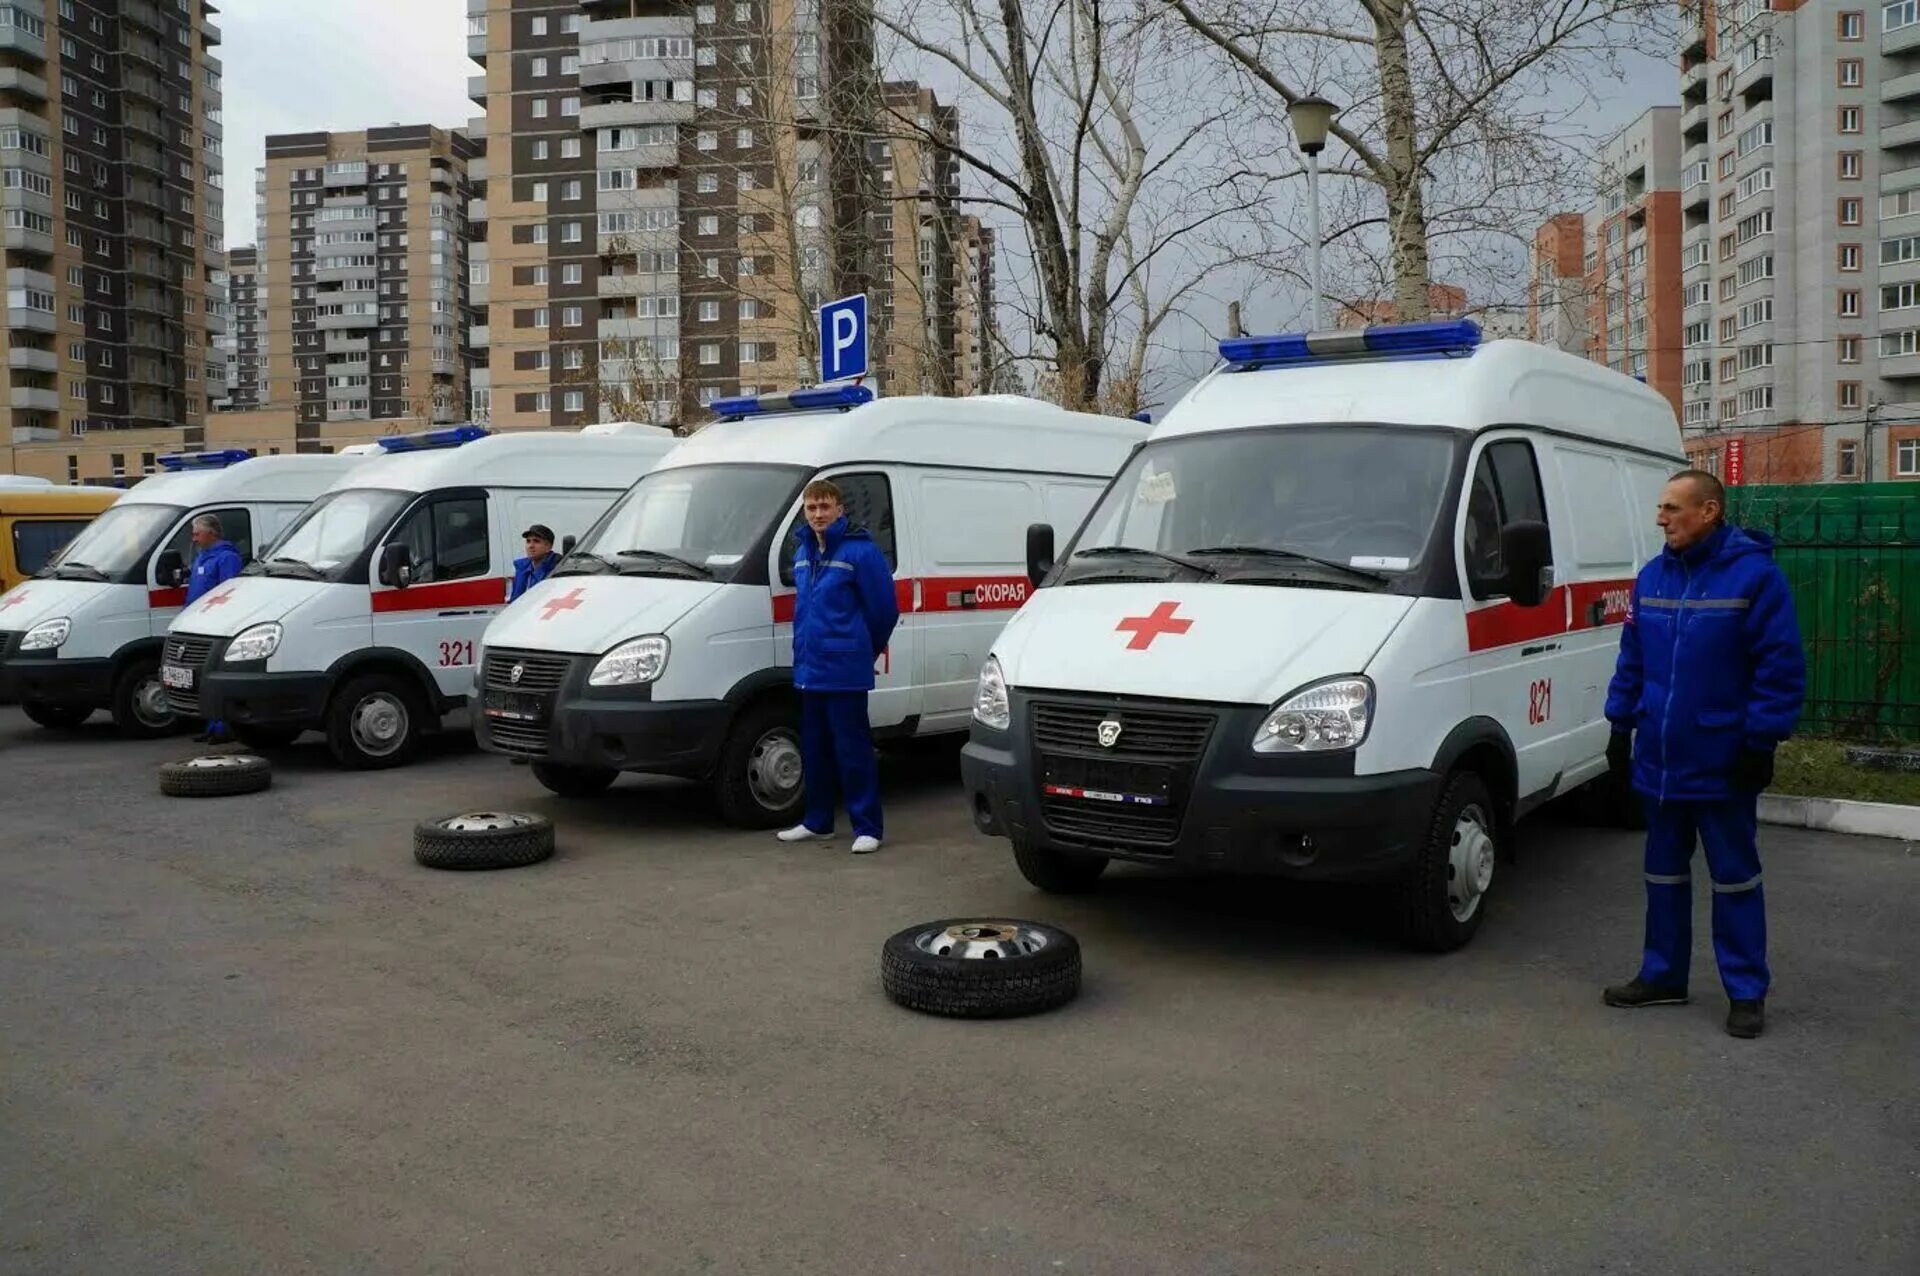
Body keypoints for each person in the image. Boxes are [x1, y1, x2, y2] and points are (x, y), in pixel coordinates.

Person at [1601, 469, 1805, 1040]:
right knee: (1662, 875)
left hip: (1722, 760)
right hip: (1661, 762)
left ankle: (1746, 991)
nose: (1661, 518)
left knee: (1735, 878)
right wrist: (1620, 725)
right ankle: (1663, 975)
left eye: (1672, 507)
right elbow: (1633, 659)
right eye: (1660, 508)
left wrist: (1761, 741)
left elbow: (1780, 668)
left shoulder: (1755, 578)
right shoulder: (1652, 577)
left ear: (1710, 511)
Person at [776, 479, 900, 854]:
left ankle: (868, 827)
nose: (818, 514)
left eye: (825, 506)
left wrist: (864, 649)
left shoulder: (861, 552)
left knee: (853, 750)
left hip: (845, 668)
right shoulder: (802, 551)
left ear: (839, 509)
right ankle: (818, 822)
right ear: (804, 512)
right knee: (814, 749)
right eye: (812, 508)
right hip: (811, 669)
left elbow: (884, 611)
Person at [185, 513, 244, 744]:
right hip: (195, 622)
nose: (194, 538)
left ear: (212, 533)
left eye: (197, 533)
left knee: (214, 677)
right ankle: (211, 725)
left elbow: (229, 592)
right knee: (200, 679)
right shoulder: (201, 558)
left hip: (214, 624)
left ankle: (223, 728)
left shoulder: (227, 558)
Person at [510, 524, 560, 601]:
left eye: (536, 541)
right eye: (528, 541)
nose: (531, 546)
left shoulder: (556, 570)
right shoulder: (521, 568)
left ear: (548, 547)